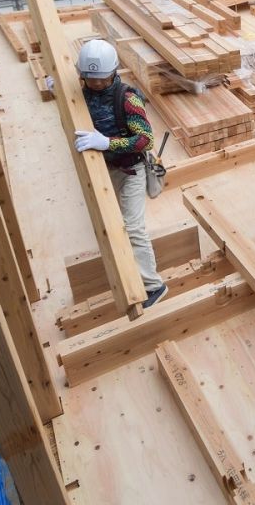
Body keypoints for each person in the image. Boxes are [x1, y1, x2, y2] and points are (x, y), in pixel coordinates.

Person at [72, 39, 167, 308]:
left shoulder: (127, 99)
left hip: (132, 170)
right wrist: (57, 88)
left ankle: (153, 285)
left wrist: (108, 143)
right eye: (92, 79)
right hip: (106, 169)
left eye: (102, 79)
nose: (98, 84)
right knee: (113, 221)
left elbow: (145, 140)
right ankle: (124, 268)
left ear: (113, 72)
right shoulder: (84, 90)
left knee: (133, 227)